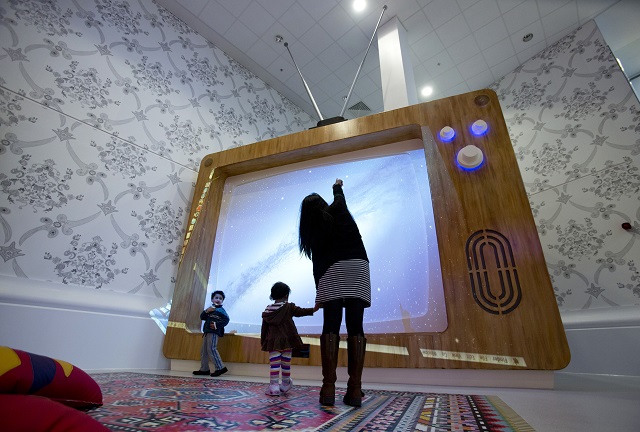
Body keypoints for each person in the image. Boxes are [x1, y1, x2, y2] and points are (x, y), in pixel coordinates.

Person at [299, 179, 371, 407]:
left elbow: (317, 266)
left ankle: (328, 389)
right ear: (323, 203)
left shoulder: (312, 231)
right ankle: (354, 390)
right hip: (357, 266)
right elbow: (340, 198)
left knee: (330, 326)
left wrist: (320, 293)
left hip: (331, 272)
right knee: (355, 327)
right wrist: (336, 187)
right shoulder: (337, 208)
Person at [260, 281, 319, 396]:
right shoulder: (288, 307)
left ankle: (274, 386)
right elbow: (300, 311)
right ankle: (286, 384)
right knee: (286, 363)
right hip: (287, 341)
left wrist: (263, 341)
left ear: (272, 295)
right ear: (286, 295)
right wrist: (313, 309)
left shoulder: (268, 310)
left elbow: (264, 328)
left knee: (274, 364)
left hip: (273, 342)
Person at [193, 290, 230, 377]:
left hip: (213, 332)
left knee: (212, 349)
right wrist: (206, 311)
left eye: (220, 298)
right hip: (207, 332)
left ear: (222, 301)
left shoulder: (221, 310)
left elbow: (226, 320)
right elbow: (202, 317)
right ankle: (204, 369)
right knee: (204, 351)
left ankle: (220, 367)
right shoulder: (210, 309)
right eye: (216, 298)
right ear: (212, 299)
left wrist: (216, 325)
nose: (218, 299)